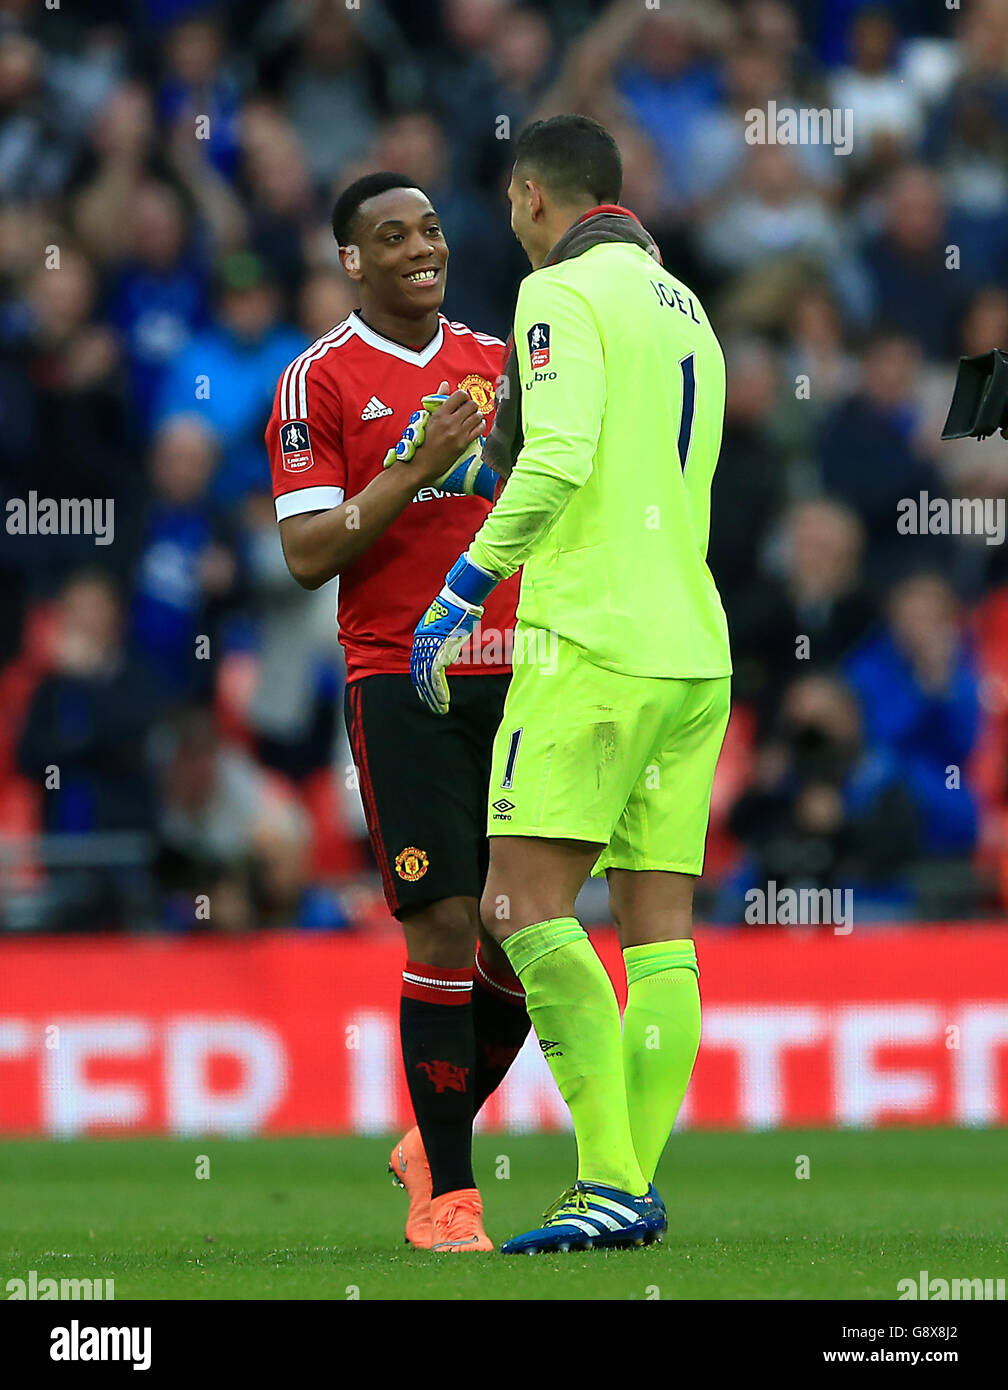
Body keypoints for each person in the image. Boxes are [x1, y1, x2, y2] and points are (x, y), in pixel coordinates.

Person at [408, 115, 733, 1253]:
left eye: (508, 205)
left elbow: (563, 456)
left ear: (532, 194)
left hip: (592, 641)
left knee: (517, 907)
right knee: (659, 936)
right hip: (693, 644)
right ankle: (627, 1184)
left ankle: (606, 1179)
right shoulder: (686, 306)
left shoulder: (556, 293)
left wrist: (461, 587)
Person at [265, 172, 529, 1254]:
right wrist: (417, 462)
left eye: (429, 229)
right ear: (350, 260)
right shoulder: (315, 383)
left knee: (525, 932)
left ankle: (434, 1129)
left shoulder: (506, 365)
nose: (422, 247)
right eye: (392, 235)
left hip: (523, 667)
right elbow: (306, 553)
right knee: (445, 923)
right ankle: (449, 1199)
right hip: (398, 675)